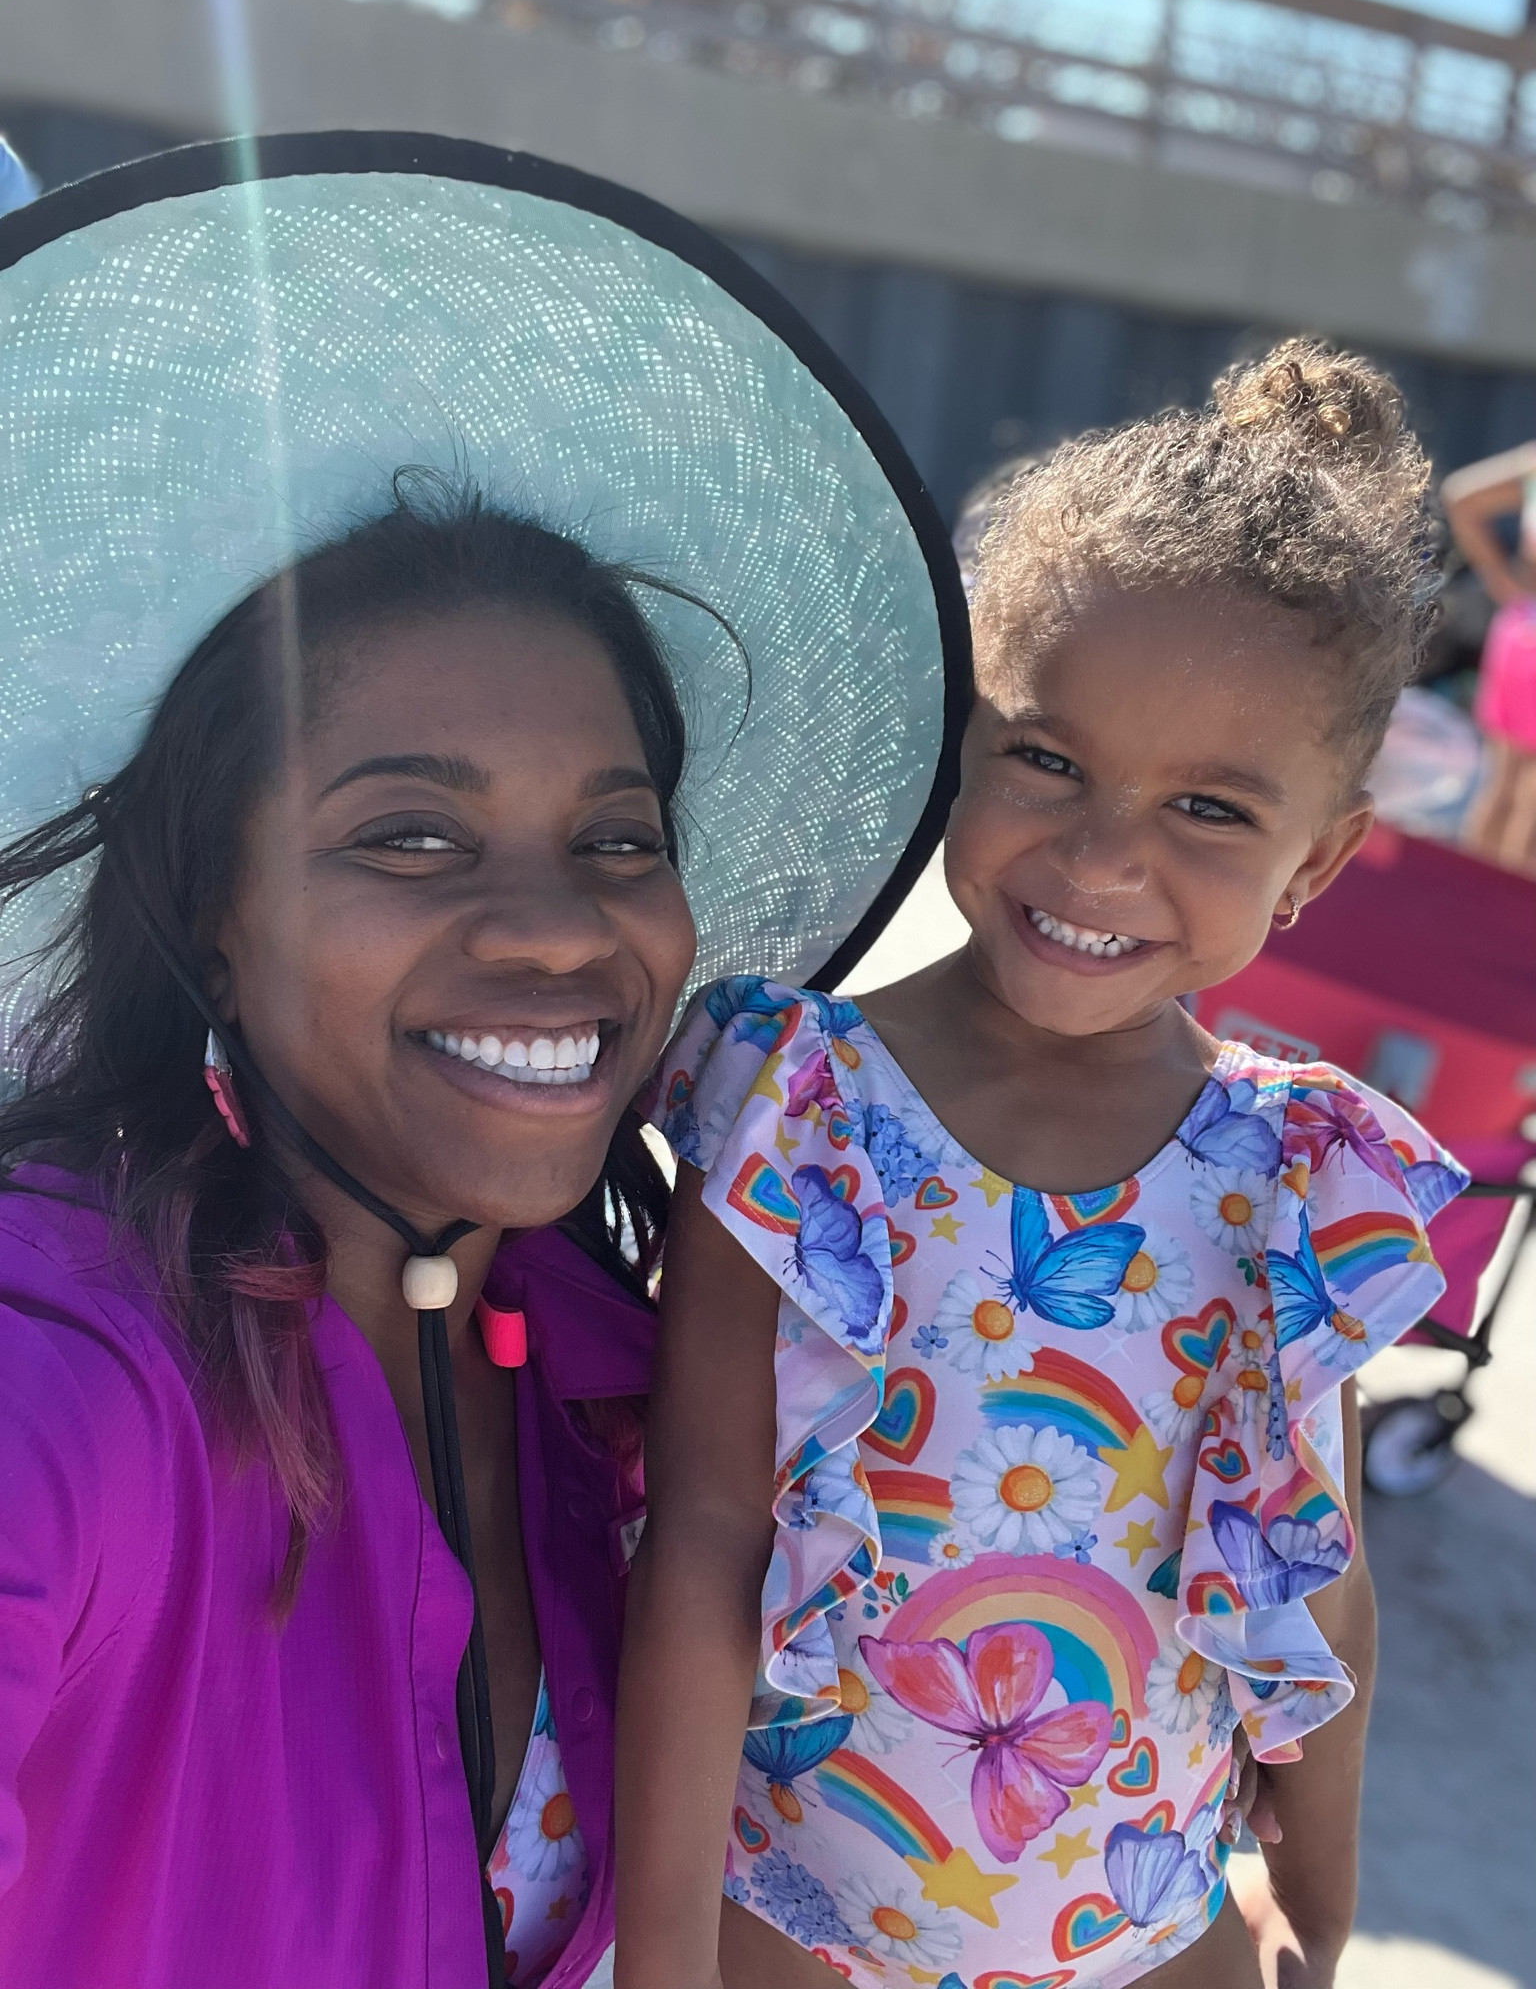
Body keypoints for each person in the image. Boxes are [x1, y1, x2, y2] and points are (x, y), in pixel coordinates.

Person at [0, 135, 963, 1989]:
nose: (558, 930)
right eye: (412, 836)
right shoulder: (74, 1360)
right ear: (210, 904)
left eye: (617, 836)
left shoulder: (629, 1370)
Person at [618, 339, 1467, 1989]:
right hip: (788, 1921)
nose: (1100, 854)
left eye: (1211, 808)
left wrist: (1318, 1892)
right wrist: (663, 1960)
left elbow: (1324, 1581)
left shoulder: (1301, 1174)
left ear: (1322, 859)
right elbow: (704, 1541)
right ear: (967, 733)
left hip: (1154, 1936)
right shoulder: (803, 1108)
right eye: (1049, 760)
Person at [1441, 440, 1536, 872]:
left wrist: (1504, 582)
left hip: (1520, 627)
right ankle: (1507, 926)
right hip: (1522, 626)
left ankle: (1475, 910)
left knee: (1501, 783)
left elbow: (1461, 496)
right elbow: (1461, 496)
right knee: (1525, 796)